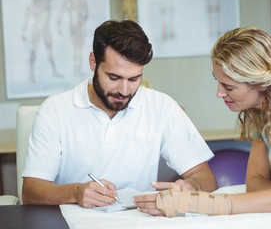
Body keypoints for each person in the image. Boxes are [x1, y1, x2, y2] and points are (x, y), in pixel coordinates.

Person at [133, 27, 271, 229]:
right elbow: (255, 181)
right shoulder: (263, 111)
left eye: (228, 86)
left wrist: (190, 203)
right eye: (218, 82)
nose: (219, 93)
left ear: (259, 81)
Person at [22, 20, 217, 208]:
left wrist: (190, 186)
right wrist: (76, 192)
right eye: (114, 77)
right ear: (93, 62)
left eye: (134, 79)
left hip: (139, 222)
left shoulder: (162, 107)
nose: (124, 90)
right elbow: (30, 190)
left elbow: (205, 177)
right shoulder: (55, 110)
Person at [22, 0, 63, 82]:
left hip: (46, 30)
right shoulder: (31, 6)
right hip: (36, 30)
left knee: (50, 51)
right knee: (33, 51)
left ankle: (54, 71)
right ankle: (31, 74)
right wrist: (23, 33)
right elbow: (26, 21)